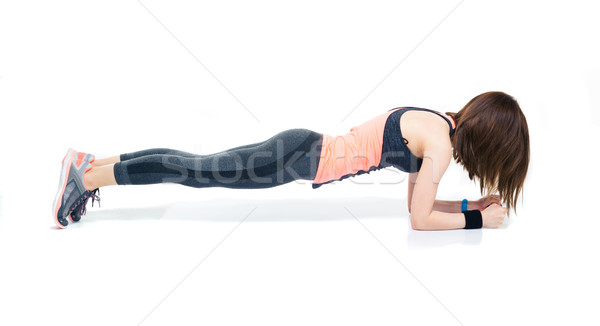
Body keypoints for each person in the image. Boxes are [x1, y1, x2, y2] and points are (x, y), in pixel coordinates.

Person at [52, 91, 530, 230]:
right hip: (295, 158)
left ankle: (90, 163)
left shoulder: (438, 124)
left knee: (195, 165)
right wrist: (476, 222)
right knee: (193, 171)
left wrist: (471, 206)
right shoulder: (442, 149)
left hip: (298, 150)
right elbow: (422, 221)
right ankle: (88, 175)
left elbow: (416, 210)